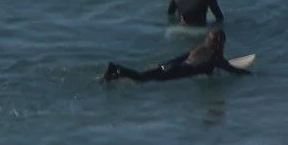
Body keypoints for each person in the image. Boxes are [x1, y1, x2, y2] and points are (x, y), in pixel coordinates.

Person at [103, 29, 249, 84]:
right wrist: (253, 75)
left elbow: (180, 58)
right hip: (177, 71)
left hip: (170, 66)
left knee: (142, 76)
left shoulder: (199, 49)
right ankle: (119, 69)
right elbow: (233, 70)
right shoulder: (215, 57)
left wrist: (161, 65)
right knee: (142, 80)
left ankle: (114, 74)